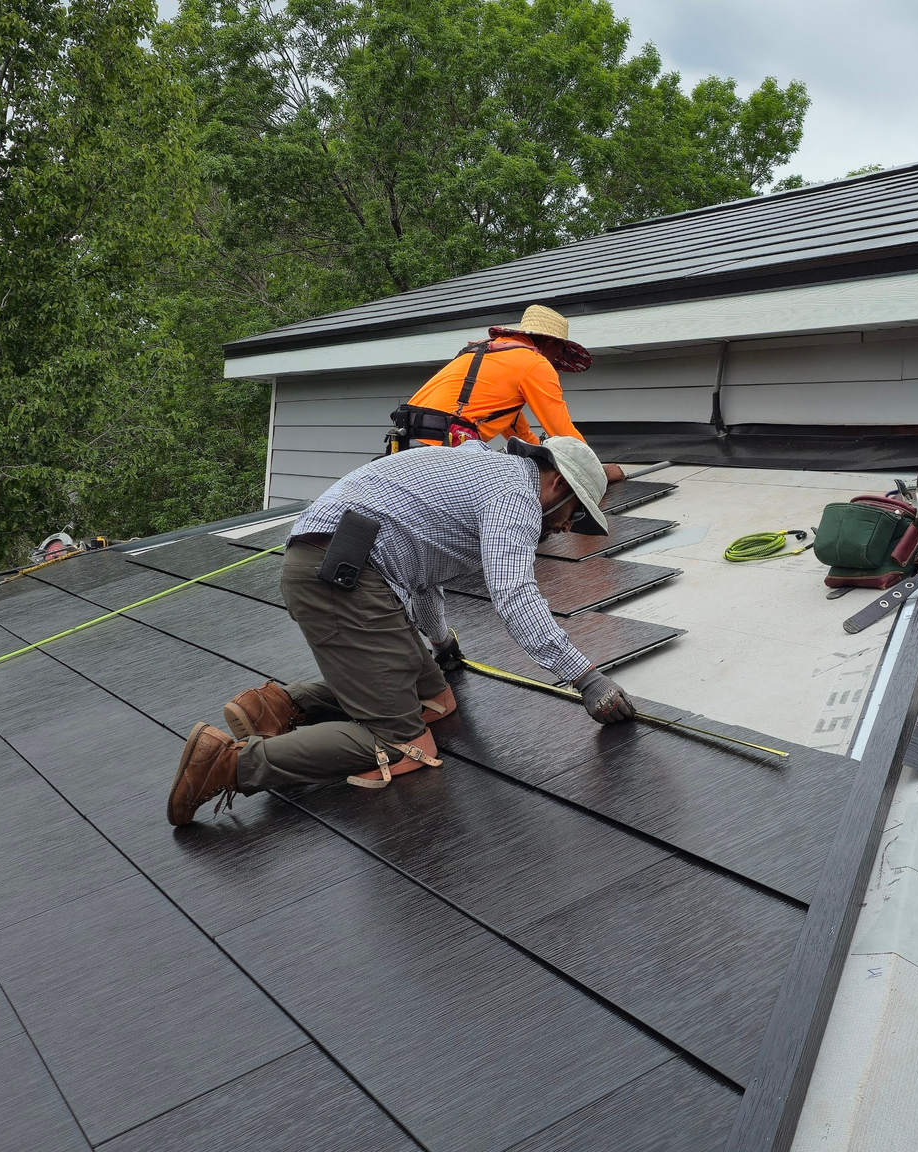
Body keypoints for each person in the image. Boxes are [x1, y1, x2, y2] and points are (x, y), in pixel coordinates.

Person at [165, 435, 637, 826]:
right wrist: (585, 678)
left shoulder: (485, 472)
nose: (565, 529)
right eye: (573, 515)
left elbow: (424, 572)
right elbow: (514, 596)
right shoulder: (516, 497)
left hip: (348, 568)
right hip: (340, 581)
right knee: (403, 744)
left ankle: (280, 705)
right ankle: (227, 764)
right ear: (555, 482)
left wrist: (440, 641)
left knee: (436, 700)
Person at [388, 303, 627, 484]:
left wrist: (542, 456)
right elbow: (562, 432)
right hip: (444, 452)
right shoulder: (534, 363)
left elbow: (516, 430)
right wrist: (596, 471)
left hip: (406, 445)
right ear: (548, 342)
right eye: (560, 350)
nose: (557, 360)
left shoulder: (491, 355)